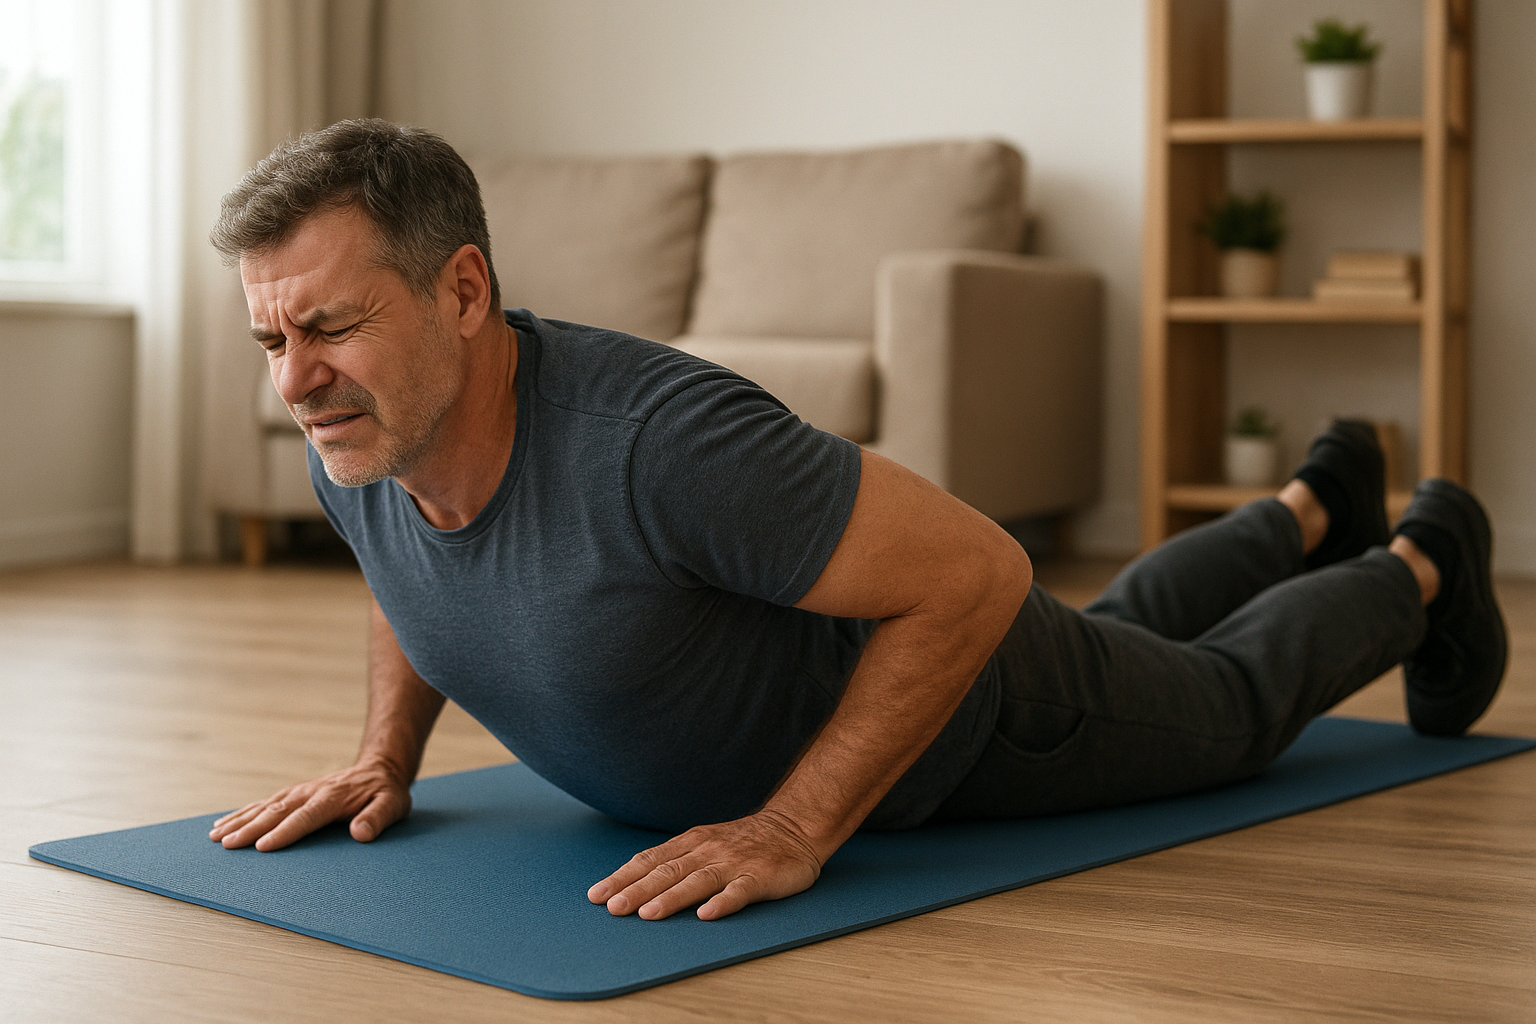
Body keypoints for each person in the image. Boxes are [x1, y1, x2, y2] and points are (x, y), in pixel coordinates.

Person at [205, 120, 1507, 923]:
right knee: (1123, 635)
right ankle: (1306, 504)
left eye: (329, 326)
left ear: (465, 290)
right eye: (270, 336)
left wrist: (792, 826)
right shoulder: (366, 433)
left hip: (973, 723)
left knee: (1221, 702)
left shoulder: (661, 447)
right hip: (942, 659)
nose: (295, 378)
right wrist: (385, 756)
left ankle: (1424, 557)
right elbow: (400, 564)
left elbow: (975, 573)